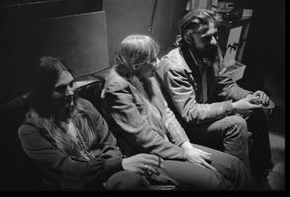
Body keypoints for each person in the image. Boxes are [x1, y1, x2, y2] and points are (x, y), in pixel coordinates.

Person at [101, 34, 257, 190]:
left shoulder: (145, 74)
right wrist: (184, 154)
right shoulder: (116, 90)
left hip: (168, 145)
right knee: (215, 181)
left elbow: (167, 114)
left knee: (235, 166)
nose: (158, 62)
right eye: (153, 59)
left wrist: (186, 145)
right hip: (147, 156)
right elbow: (144, 139)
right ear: (135, 65)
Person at [155, 9, 273, 189]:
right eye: (206, 37)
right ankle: (243, 183)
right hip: (188, 126)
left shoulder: (211, 50)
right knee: (235, 123)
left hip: (206, 111)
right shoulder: (174, 66)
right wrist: (233, 106)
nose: (214, 41)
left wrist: (249, 96)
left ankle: (260, 173)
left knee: (259, 108)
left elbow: (226, 85)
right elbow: (190, 113)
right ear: (188, 38)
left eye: (215, 35)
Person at [18, 56, 165, 190]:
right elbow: (68, 170)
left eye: (71, 84)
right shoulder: (30, 131)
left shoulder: (84, 106)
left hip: (113, 173)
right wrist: (116, 166)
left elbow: (110, 145)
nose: (70, 92)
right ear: (43, 93)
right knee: (128, 181)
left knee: (158, 167)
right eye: (61, 88)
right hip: (82, 184)